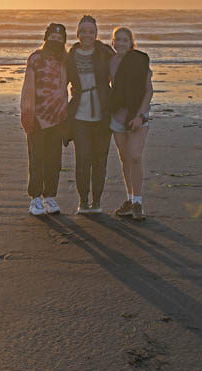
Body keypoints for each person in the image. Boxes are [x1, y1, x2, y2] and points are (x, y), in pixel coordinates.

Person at [65, 14, 115, 214]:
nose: (87, 35)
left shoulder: (105, 52)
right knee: (83, 158)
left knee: (100, 159)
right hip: (79, 115)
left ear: (96, 33)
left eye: (91, 32)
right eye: (83, 31)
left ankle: (97, 202)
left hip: (103, 112)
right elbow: (61, 83)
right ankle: (83, 201)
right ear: (77, 33)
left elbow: (123, 71)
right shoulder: (70, 55)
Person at [20, 23, 69, 216]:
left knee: (54, 160)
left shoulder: (65, 61)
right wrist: (27, 114)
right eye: (53, 38)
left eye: (60, 39)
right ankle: (35, 199)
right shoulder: (35, 59)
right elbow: (27, 89)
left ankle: (49, 197)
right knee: (37, 158)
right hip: (37, 118)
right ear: (46, 39)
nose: (56, 41)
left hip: (58, 118)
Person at [107, 27, 153, 221]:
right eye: (117, 40)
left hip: (137, 116)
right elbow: (111, 86)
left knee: (135, 156)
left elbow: (148, 91)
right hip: (117, 116)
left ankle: (138, 202)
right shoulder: (110, 62)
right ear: (113, 42)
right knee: (125, 158)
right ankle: (130, 198)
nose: (121, 43)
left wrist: (140, 115)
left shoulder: (140, 60)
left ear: (131, 42)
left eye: (125, 40)